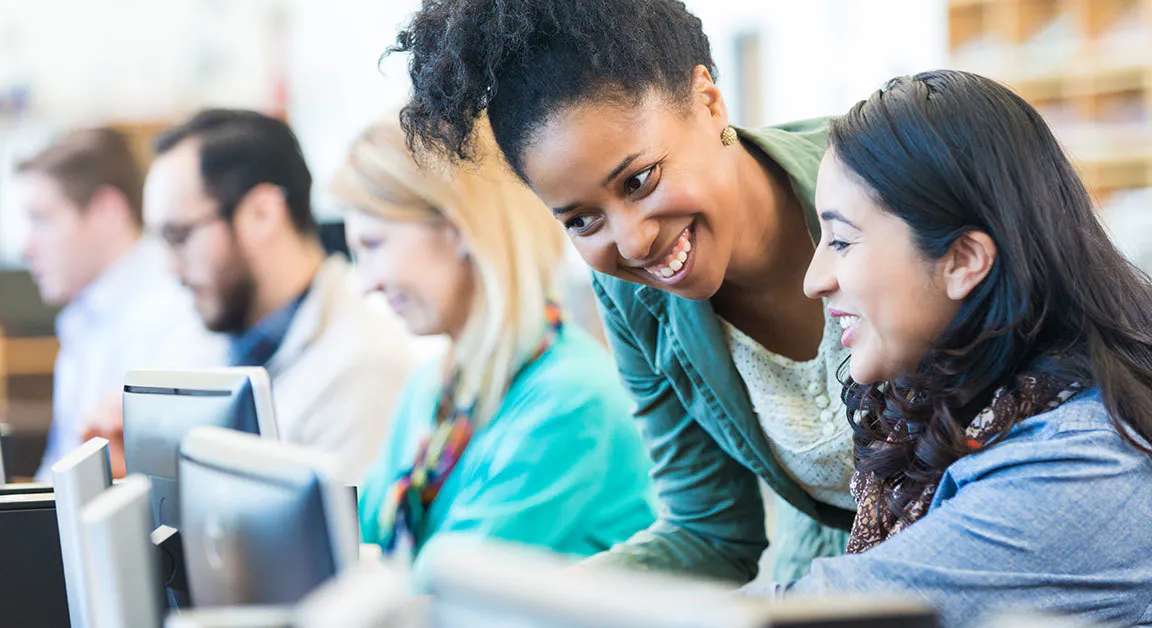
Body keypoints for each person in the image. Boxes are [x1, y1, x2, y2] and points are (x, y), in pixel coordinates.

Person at [391, 0, 853, 582]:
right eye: (582, 219)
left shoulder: (890, 170)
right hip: (828, 584)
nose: (633, 244)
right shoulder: (632, 297)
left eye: (639, 180)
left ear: (708, 102)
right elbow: (712, 532)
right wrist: (545, 599)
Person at [761, 70, 1152, 626]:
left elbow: (832, 612)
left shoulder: (1084, 461)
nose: (814, 279)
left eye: (843, 241)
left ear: (965, 260)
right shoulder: (949, 407)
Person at [334, 118, 656, 569]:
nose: (366, 282)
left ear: (460, 228)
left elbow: (441, 594)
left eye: (373, 244)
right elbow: (358, 537)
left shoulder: (572, 402)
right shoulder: (433, 388)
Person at [134, 109, 430, 482]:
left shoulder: (364, 370)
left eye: (179, 237)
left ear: (262, 214)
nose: (170, 268)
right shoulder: (202, 334)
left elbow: (341, 539)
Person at [13, 127, 226, 481]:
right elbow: (56, 474)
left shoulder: (177, 315)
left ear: (107, 212)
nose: (27, 247)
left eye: (42, 220)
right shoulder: (85, 313)